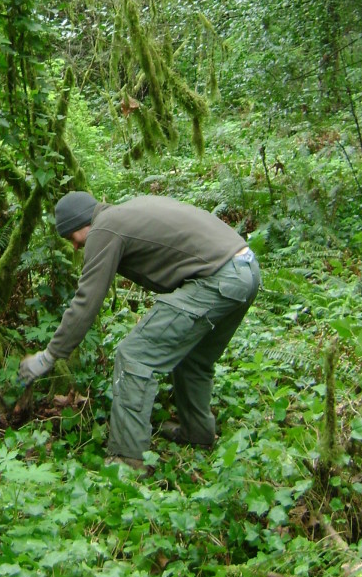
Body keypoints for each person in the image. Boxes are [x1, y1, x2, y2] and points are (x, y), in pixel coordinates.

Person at [19, 191, 261, 465]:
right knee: (193, 357)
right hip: (247, 270)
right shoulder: (126, 212)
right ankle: (198, 434)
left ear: (80, 225)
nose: (74, 248)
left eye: (71, 238)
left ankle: (127, 459)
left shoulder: (104, 229)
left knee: (134, 356)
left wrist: (49, 356)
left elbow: (86, 302)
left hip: (218, 279)